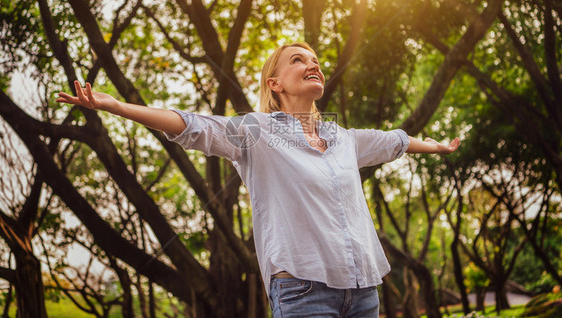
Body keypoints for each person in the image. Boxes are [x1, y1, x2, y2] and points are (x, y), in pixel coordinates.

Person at [57, 42, 459, 317]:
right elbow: (194, 125)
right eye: (299, 60)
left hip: (364, 291)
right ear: (275, 84)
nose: (312, 64)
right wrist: (115, 106)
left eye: (315, 60)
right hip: (304, 293)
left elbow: (397, 141)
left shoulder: (345, 140)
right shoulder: (257, 132)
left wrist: (438, 147)